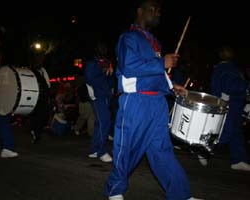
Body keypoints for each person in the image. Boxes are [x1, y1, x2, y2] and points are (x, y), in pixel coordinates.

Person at [104, 1, 200, 199]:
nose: (157, 13)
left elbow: (157, 75)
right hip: (136, 102)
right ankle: (115, 189)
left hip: (157, 104)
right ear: (139, 11)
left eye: (159, 10)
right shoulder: (128, 37)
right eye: (153, 9)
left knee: (162, 151)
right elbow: (129, 66)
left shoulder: (154, 42)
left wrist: (172, 87)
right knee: (127, 148)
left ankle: (180, 194)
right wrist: (161, 62)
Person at [210, 45, 250, 171]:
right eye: (227, 49)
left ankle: (239, 160)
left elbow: (243, 85)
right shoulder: (220, 68)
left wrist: (247, 100)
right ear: (221, 54)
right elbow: (215, 86)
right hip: (227, 103)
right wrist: (219, 99)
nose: (230, 51)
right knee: (227, 130)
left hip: (237, 103)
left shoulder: (236, 68)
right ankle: (205, 149)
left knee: (236, 132)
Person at [85, 39, 115, 163]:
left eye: (105, 48)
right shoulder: (92, 63)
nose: (104, 50)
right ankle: (101, 151)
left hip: (106, 95)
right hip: (97, 96)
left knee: (100, 123)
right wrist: (92, 93)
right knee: (105, 121)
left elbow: (110, 78)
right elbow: (89, 79)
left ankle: (94, 150)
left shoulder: (107, 62)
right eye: (101, 47)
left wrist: (111, 85)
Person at [29, 51, 51, 143]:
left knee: (43, 116)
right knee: (37, 115)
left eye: (42, 59)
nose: (41, 61)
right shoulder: (31, 70)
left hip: (43, 97)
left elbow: (48, 85)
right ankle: (35, 132)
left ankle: (36, 131)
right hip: (35, 96)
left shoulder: (43, 70)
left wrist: (48, 96)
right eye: (40, 59)